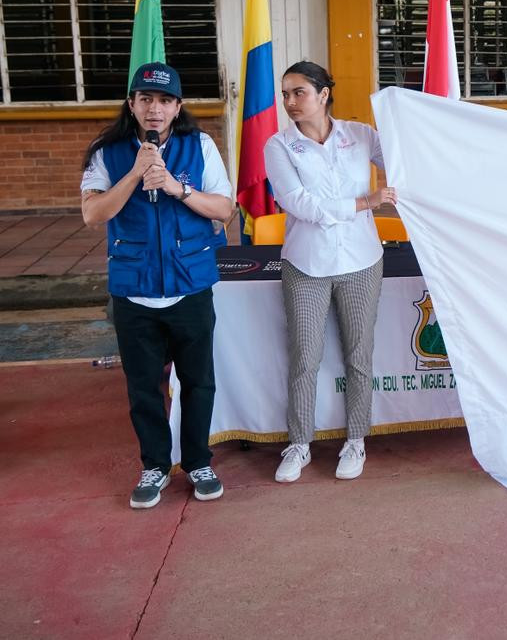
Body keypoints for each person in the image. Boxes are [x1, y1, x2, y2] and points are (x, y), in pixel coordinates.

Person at [80, 62, 235, 509]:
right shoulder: (106, 151)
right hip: (135, 291)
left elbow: (224, 209)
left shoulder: (199, 146)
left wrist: (174, 186)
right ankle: (154, 465)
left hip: (189, 286)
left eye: (165, 100)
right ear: (131, 104)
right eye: (145, 99)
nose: (155, 109)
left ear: (177, 107)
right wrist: (134, 172)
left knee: (198, 381)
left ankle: (198, 462)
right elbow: (93, 215)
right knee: (143, 385)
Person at [263, 61, 397, 483]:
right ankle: (299, 444)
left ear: (323, 95)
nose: (289, 102)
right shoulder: (278, 147)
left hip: (362, 260)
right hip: (306, 264)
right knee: (305, 357)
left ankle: (356, 440)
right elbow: (300, 206)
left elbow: (404, 157)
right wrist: (365, 203)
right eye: (285, 94)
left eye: (298, 92)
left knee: (360, 355)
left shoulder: (360, 136)